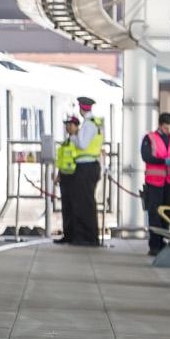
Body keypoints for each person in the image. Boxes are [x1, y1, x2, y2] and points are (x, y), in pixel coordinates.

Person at [140, 112, 170, 255]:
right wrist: (164, 161)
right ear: (160, 125)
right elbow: (146, 156)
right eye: (166, 128)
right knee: (154, 214)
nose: (169, 131)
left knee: (166, 214)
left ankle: (164, 244)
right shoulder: (149, 138)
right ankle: (155, 246)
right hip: (154, 182)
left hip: (169, 182)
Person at [70, 95, 106, 246]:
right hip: (92, 165)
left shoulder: (87, 125)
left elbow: (83, 144)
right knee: (88, 202)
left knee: (84, 202)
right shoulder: (97, 123)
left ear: (81, 108)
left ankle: (87, 237)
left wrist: (73, 137)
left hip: (86, 166)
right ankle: (90, 236)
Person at [54, 114, 82, 243]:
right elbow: (61, 161)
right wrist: (58, 175)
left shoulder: (79, 142)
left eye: (71, 125)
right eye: (67, 125)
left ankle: (76, 236)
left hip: (75, 178)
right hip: (65, 178)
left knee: (76, 207)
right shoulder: (65, 143)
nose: (68, 127)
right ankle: (67, 235)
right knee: (66, 208)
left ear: (77, 127)